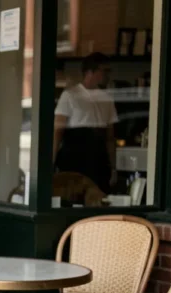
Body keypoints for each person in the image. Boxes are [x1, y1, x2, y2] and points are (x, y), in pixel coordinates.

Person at [53, 52, 117, 193]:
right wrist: (52, 161)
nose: (108, 75)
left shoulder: (107, 98)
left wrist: (113, 167)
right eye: (104, 71)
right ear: (90, 72)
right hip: (75, 156)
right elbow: (58, 131)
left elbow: (110, 138)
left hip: (99, 159)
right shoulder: (70, 95)